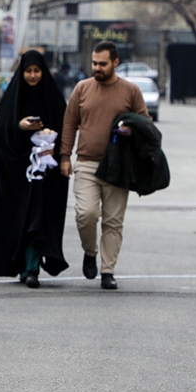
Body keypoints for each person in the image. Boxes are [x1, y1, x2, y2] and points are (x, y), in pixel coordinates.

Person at [59, 40, 149, 290]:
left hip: (118, 166)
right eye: (94, 63)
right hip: (86, 163)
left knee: (113, 221)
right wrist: (65, 157)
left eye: (102, 64)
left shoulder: (130, 91)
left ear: (115, 63)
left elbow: (146, 124)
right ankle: (90, 252)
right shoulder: (82, 88)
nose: (97, 68)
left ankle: (108, 270)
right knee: (85, 214)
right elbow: (69, 123)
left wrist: (131, 130)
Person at [0, 50, 69, 288]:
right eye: (28, 71)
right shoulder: (13, 98)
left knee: (37, 218)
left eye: (36, 71)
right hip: (17, 173)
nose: (32, 76)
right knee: (19, 218)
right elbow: (0, 130)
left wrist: (54, 144)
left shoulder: (53, 98)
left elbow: (66, 128)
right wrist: (19, 126)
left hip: (44, 174)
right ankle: (22, 265)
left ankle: (32, 268)